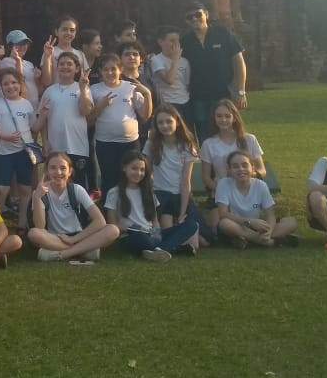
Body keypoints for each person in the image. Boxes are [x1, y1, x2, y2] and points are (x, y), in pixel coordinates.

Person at [105, 151, 199, 261]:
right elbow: (112, 224)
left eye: (142, 170)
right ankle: (172, 248)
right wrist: (132, 229)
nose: (138, 173)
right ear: (124, 168)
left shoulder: (148, 192)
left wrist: (157, 233)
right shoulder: (114, 192)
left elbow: (155, 221)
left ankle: (159, 249)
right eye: (134, 168)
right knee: (142, 238)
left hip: (150, 234)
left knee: (192, 225)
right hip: (131, 236)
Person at [28, 152, 120, 262]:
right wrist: (37, 197)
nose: (58, 172)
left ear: (70, 172)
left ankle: (63, 254)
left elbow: (100, 221)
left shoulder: (76, 189)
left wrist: (73, 239)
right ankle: (84, 250)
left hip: (78, 236)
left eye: (63, 168)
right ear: (46, 171)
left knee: (113, 230)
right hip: (55, 238)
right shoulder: (39, 192)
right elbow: (40, 226)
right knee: (34, 234)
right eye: (53, 168)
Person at [180, 1, 247, 141]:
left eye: (198, 14)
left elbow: (239, 62)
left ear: (206, 14)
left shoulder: (222, 33)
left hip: (224, 93)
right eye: (190, 17)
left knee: (229, 130)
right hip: (199, 96)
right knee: (204, 134)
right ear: (186, 21)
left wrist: (240, 91)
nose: (194, 19)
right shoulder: (185, 42)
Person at [87, 53, 151, 197]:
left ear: (120, 69)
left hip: (130, 142)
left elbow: (145, 114)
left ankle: (131, 208)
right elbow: (89, 120)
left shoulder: (131, 88)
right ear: (100, 71)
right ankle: (109, 209)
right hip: (105, 143)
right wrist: (100, 106)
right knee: (109, 180)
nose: (110, 73)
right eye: (106, 69)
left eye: (113, 69)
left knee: (132, 179)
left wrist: (147, 95)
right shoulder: (94, 90)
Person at [144, 105, 207, 247]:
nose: (165, 126)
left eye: (169, 121)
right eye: (160, 123)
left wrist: (182, 213)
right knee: (168, 229)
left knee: (205, 241)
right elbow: (147, 175)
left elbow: (185, 181)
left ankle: (183, 237)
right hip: (160, 196)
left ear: (177, 122)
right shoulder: (151, 144)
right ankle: (175, 241)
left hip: (180, 195)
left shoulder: (187, 146)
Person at [0, 68, 37, 233]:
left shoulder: (26, 104)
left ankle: (22, 222)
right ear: (0, 87)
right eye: (6, 83)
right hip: (4, 153)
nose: (10, 86)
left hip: (24, 152)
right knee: (1, 189)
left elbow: (34, 126)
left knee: (25, 189)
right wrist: (4, 136)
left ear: (20, 84)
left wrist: (44, 114)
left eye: (14, 82)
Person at [36, 52, 95, 192]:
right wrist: (45, 142)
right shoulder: (49, 91)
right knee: (55, 186)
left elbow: (86, 111)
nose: (65, 67)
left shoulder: (83, 89)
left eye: (69, 64)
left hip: (78, 147)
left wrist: (82, 89)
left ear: (77, 68)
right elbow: (43, 119)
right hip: (55, 148)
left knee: (77, 188)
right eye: (62, 64)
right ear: (57, 68)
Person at [214, 151, 298, 248]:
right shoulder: (224, 184)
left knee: (291, 222)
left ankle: (250, 240)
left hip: (259, 226)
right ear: (229, 169)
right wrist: (249, 222)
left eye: (245, 165)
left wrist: (268, 232)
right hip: (238, 225)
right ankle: (271, 242)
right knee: (224, 223)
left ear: (252, 167)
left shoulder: (261, 185)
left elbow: (270, 215)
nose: (241, 169)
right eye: (235, 166)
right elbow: (223, 213)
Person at [200, 99, 265, 203]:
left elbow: (261, 170)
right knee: (222, 214)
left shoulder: (250, 139)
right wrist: (222, 191)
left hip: (248, 192)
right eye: (219, 116)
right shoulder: (208, 144)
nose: (223, 120)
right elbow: (206, 177)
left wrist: (247, 174)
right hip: (222, 195)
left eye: (227, 116)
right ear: (214, 118)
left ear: (234, 118)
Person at [148, 26, 191, 120]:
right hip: (167, 103)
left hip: (185, 101)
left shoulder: (185, 62)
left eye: (177, 41)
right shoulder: (156, 60)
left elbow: (186, 84)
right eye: (172, 40)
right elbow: (169, 80)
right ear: (160, 42)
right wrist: (175, 59)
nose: (175, 44)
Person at [39, 14, 87, 85]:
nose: (68, 33)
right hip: (54, 91)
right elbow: (46, 82)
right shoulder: (49, 52)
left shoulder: (80, 54)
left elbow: (85, 82)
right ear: (56, 32)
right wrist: (47, 57)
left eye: (72, 30)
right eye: (65, 29)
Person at [0, 29, 41, 106]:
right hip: (19, 107)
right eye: (19, 43)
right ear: (10, 46)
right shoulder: (6, 62)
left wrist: (37, 79)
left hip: (34, 107)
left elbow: (38, 88)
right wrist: (18, 61)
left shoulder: (30, 64)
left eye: (25, 43)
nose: (23, 46)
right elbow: (19, 83)